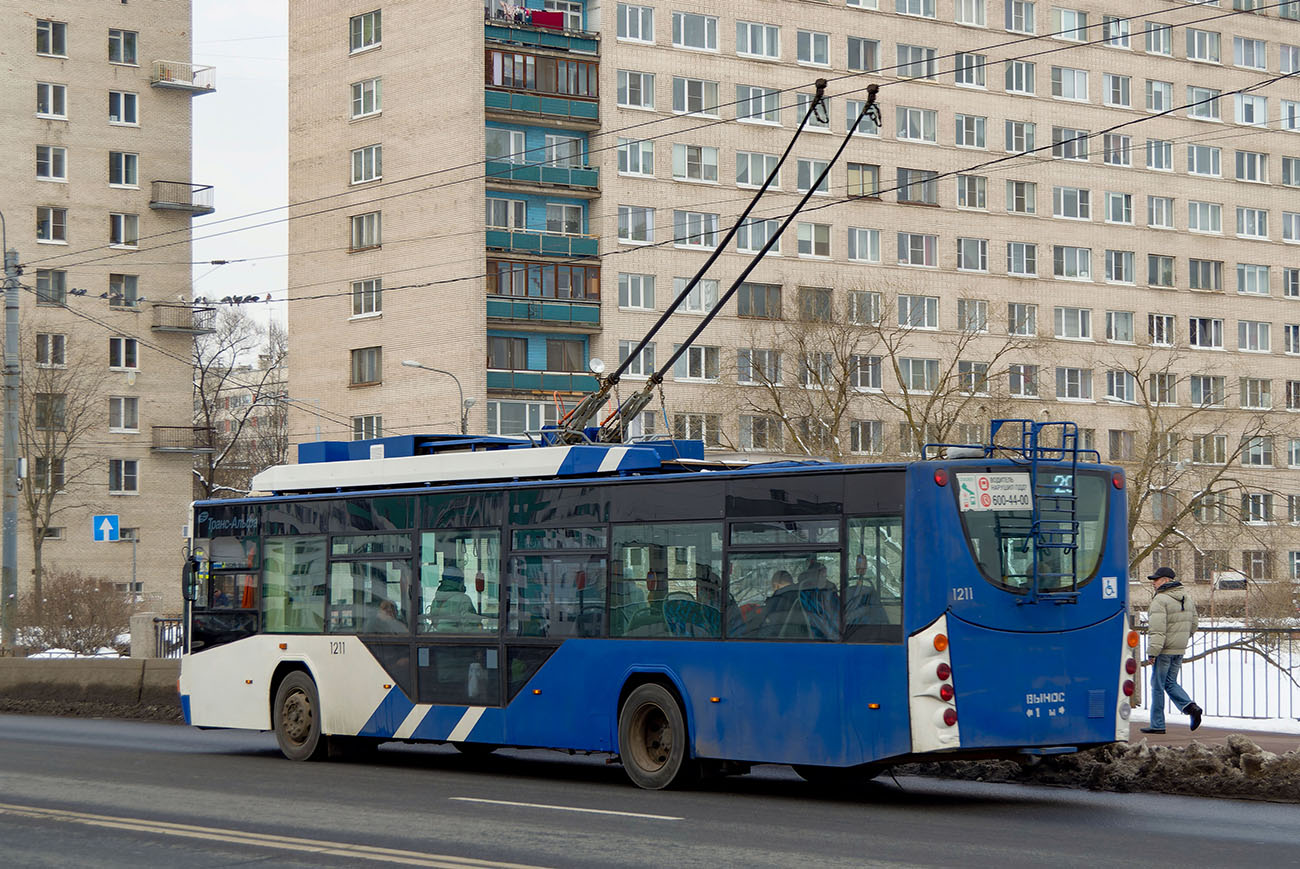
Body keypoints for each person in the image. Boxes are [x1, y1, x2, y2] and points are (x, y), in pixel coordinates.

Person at [1141, 566, 1203, 734]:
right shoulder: (1186, 598)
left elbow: (1157, 629)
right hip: (1179, 649)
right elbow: (1194, 623)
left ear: (1166, 580)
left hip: (1164, 650)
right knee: (1170, 682)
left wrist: (1153, 652)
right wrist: (1181, 639)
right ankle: (1191, 708)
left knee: (1157, 686)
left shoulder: (1160, 600)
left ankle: (1158, 724)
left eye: (1156, 579)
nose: (1153, 583)